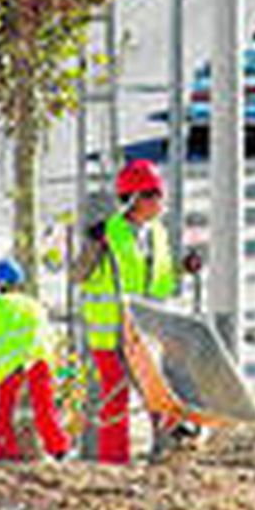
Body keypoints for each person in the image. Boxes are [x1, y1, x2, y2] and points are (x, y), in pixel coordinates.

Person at [72, 158, 181, 464]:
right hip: (109, 334)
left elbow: (161, 278)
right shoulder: (108, 232)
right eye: (153, 194)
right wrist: (93, 246)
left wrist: (183, 268)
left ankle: (165, 455)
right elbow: (78, 275)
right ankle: (113, 462)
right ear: (134, 199)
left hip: (144, 332)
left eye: (160, 193)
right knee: (114, 398)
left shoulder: (157, 233)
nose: (160, 200)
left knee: (158, 394)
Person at [0, 257, 70, 462]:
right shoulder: (34, 304)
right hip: (39, 359)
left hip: (11, 363)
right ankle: (59, 449)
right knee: (44, 409)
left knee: (4, 412)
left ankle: (5, 452)